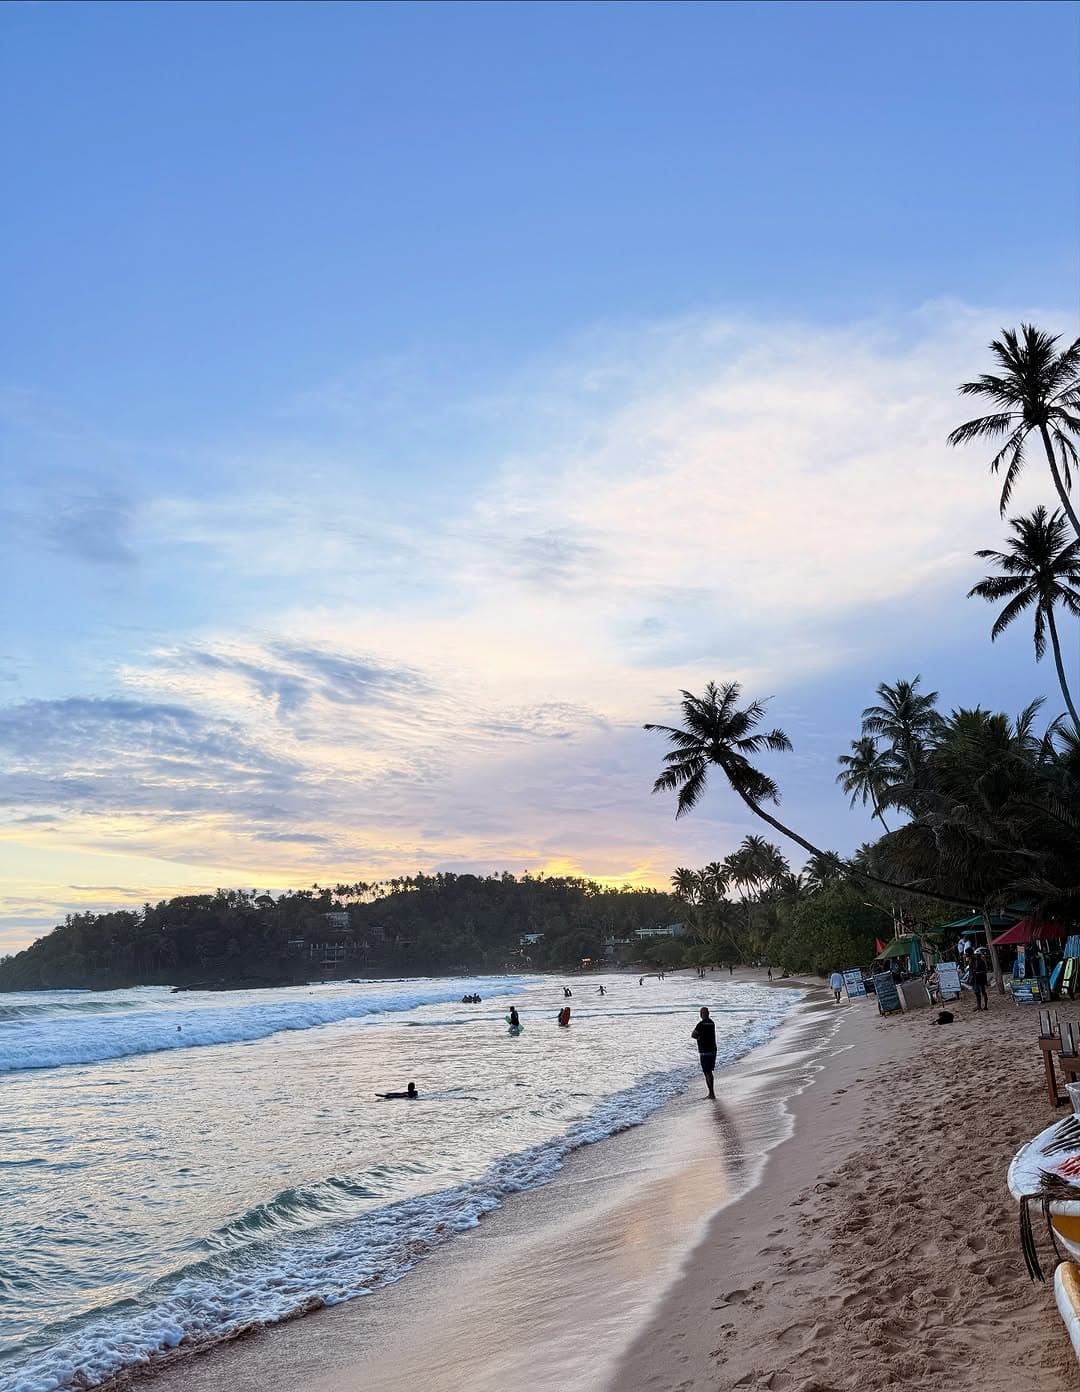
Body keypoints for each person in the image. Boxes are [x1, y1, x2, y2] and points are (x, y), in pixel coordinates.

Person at [691, 1006, 717, 1100]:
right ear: (708, 1013)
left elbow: (693, 1035)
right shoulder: (711, 1023)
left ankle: (711, 1093)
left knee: (707, 1072)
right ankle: (712, 1092)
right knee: (710, 1072)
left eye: (701, 1013)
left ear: (702, 1014)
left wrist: (699, 1038)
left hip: (704, 1051)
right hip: (713, 1050)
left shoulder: (700, 1024)